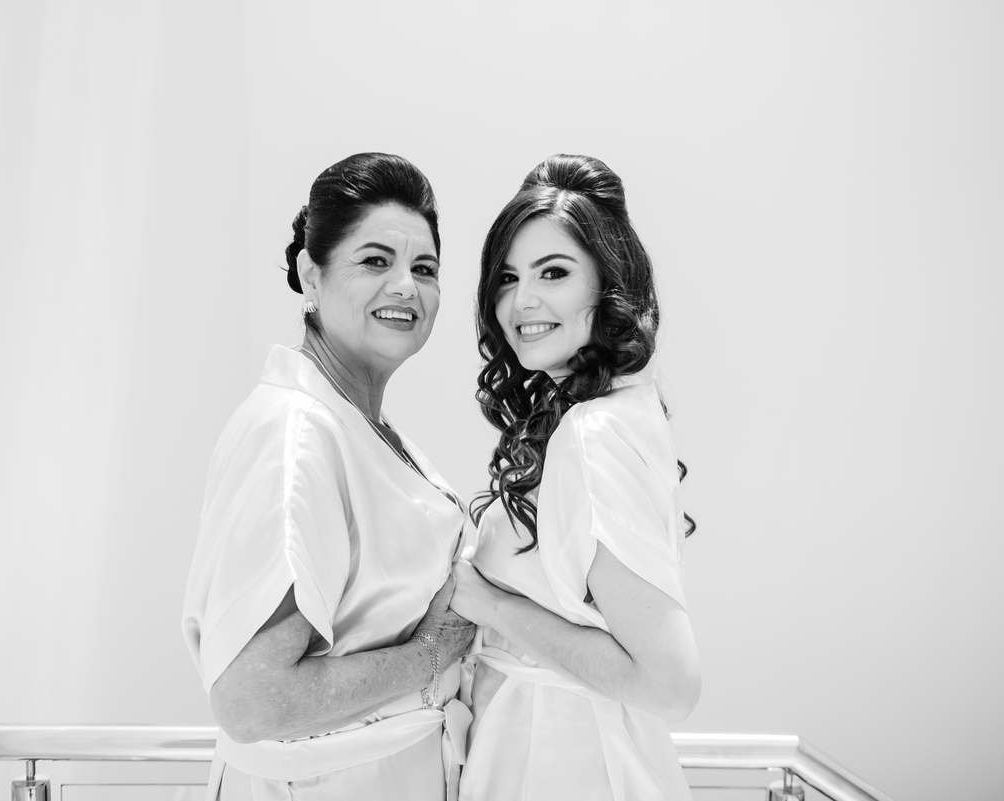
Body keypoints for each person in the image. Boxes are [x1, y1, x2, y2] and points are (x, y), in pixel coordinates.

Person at [182, 152, 475, 801]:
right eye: (375, 260)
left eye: (424, 268)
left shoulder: (356, 426)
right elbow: (253, 699)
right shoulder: (295, 438)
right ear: (309, 274)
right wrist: (435, 653)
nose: (406, 286)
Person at [451, 154, 701, 801]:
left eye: (554, 272)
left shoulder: (595, 433)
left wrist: (490, 603)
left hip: (564, 759)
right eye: (507, 278)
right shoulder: (609, 410)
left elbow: (670, 685)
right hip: (550, 745)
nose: (522, 301)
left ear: (606, 284)